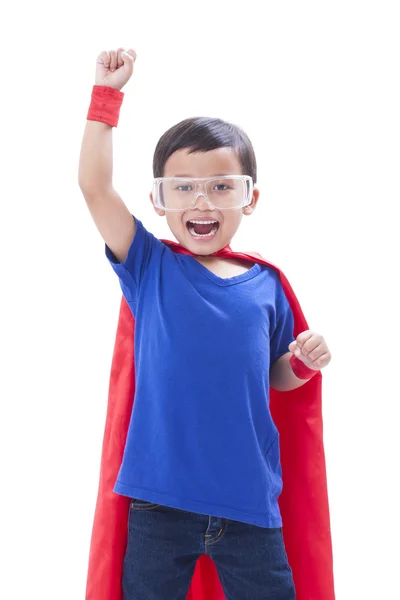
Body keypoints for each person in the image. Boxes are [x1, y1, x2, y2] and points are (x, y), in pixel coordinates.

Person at [78, 47, 332, 600]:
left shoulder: (265, 285)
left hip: (249, 506)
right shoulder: (149, 266)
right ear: (159, 200)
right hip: (158, 503)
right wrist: (107, 97)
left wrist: (301, 364)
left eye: (221, 186)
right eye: (183, 186)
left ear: (250, 198)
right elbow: (95, 188)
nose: (203, 200)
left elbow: (276, 377)